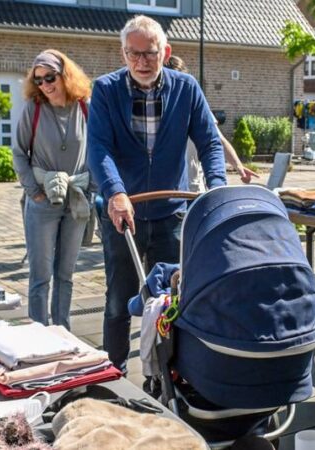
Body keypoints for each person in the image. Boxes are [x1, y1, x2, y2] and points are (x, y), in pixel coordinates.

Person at [87, 15, 227, 371]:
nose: (141, 63)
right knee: (119, 301)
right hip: (124, 215)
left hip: (171, 214)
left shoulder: (186, 88)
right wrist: (115, 192)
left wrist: (218, 187)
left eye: (149, 54)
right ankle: (112, 372)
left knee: (172, 299)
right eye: (133, 54)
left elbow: (209, 141)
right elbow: (99, 148)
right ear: (123, 54)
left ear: (165, 52)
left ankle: (173, 374)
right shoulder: (106, 89)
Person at [12, 49, 92, 330]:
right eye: (39, 80)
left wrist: (91, 185)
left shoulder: (85, 106)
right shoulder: (33, 109)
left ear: (64, 75)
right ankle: (38, 334)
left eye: (50, 77)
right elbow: (19, 152)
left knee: (66, 274)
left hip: (76, 198)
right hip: (43, 200)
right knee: (40, 276)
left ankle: (63, 332)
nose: (45, 85)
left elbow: (99, 147)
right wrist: (33, 190)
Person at [164, 55, 258, 191]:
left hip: (192, 188)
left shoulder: (195, 106)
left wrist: (238, 165)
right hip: (163, 192)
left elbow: (218, 140)